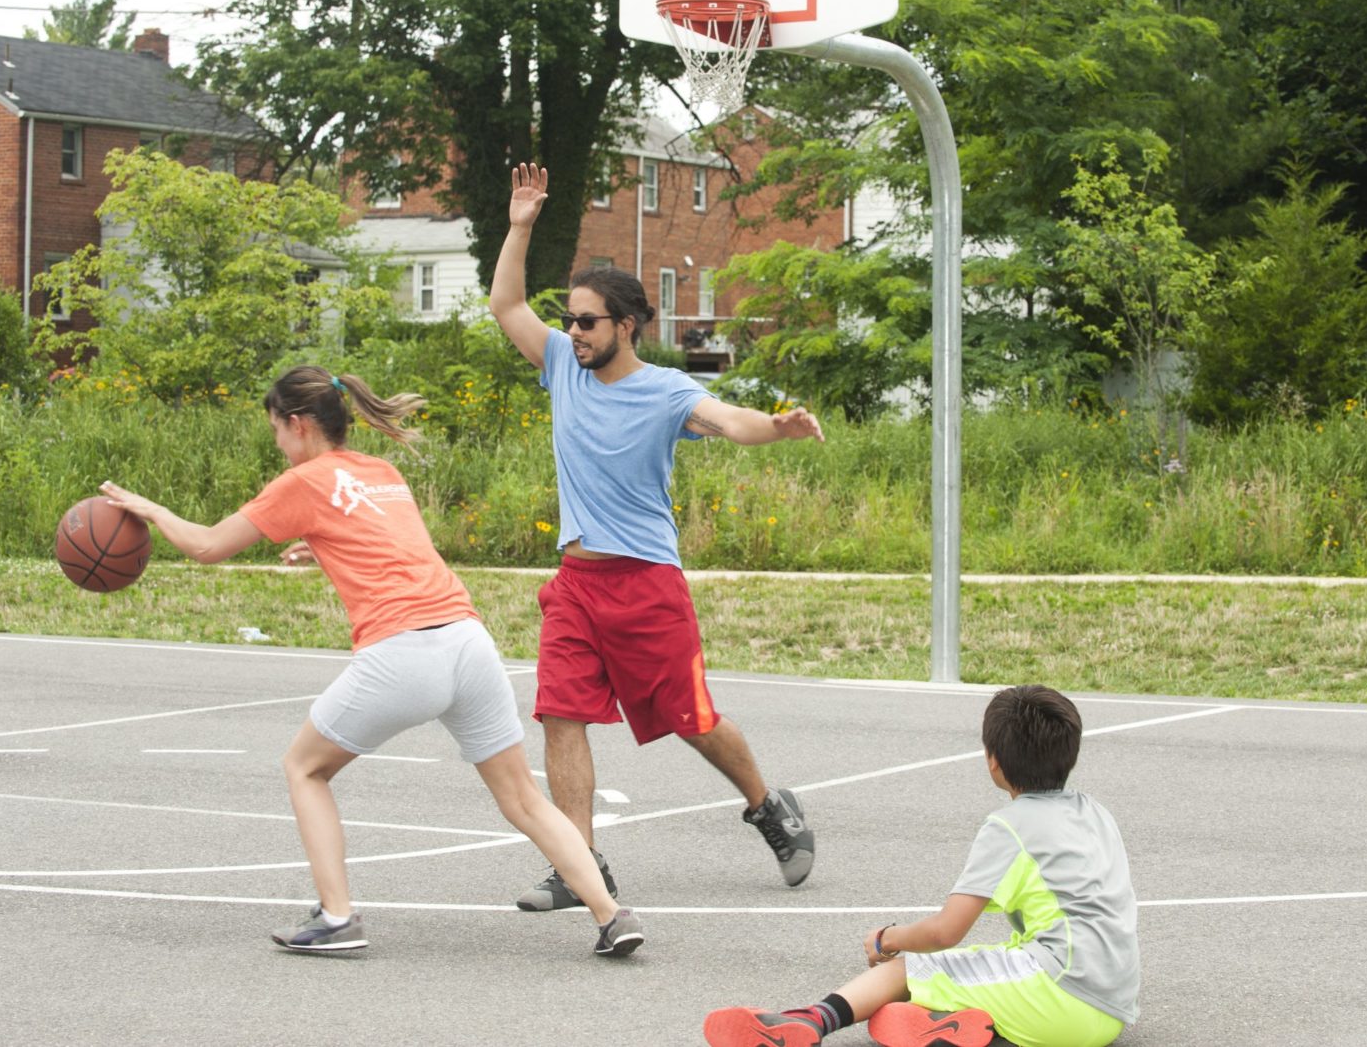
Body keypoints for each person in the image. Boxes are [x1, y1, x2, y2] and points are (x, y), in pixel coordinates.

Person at [98, 366, 643, 956]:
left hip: (404, 653)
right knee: (522, 799)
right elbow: (384, 541)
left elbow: (205, 546)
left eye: (277, 429)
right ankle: (612, 915)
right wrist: (325, 545)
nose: (278, 443)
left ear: (299, 424)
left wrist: (150, 510)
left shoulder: (304, 481)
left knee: (305, 769)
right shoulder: (382, 473)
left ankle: (337, 917)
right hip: (467, 641)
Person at [489, 162, 825, 911]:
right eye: (569, 319)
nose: (572, 331)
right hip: (576, 583)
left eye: (587, 321)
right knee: (560, 710)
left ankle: (771, 806)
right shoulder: (560, 367)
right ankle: (582, 865)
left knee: (690, 719)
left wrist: (777, 426)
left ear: (627, 325)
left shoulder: (666, 388)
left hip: (646, 582)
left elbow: (731, 422)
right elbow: (506, 303)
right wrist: (519, 227)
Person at [703, 685, 1139, 1047]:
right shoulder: (1095, 811)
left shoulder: (1010, 826)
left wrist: (887, 938)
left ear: (993, 761)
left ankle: (809, 1022)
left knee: (907, 970)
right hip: (1110, 1008)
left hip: (1062, 992)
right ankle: (963, 1029)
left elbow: (944, 931)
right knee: (978, 966)